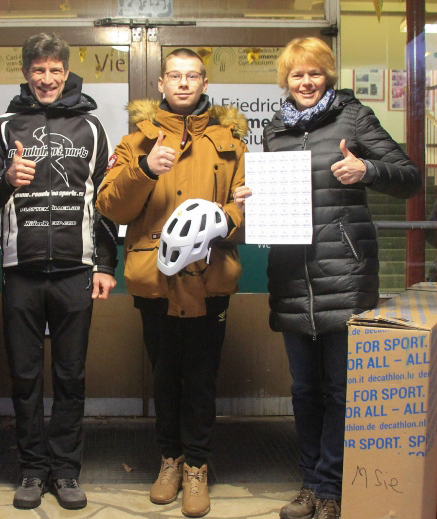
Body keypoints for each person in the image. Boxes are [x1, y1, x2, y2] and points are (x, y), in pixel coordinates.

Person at [234, 37, 421, 519]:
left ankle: (331, 488)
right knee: (304, 391)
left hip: (345, 270)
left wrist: (367, 168)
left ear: (328, 75)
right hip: (293, 274)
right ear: (285, 80)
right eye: (297, 74)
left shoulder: (353, 117)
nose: (306, 82)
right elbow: (270, 205)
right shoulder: (274, 130)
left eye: (315, 72)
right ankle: (309, 483)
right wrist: (249, 202)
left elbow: (409, 177)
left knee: (340, 389)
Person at [96, 48, 247, 518]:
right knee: (165, 376)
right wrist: (144, 171)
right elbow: (110, 207)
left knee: (201, 377)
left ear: (204, 83)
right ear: (161, 83)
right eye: (175, 76)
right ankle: (170, 461)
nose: (183, 83)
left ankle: (197, 466)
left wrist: (227, 217)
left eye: (192, 76)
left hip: (211, 277)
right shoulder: (134, 141)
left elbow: (246, 208)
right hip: (155, 280)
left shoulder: (230, 141)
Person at [0, 32, 118, 511]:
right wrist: (4, 180)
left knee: (71, 376)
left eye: (55, 69)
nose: (47, 78)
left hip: (76, 271)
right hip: (20, 270)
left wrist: (104, 264)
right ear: (26, 73)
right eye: (38, 70)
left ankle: (66, 471)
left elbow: (107, 204)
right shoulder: (2, 126)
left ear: (66, 71)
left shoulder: (93, 127)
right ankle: (32, 470)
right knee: (24, 375)